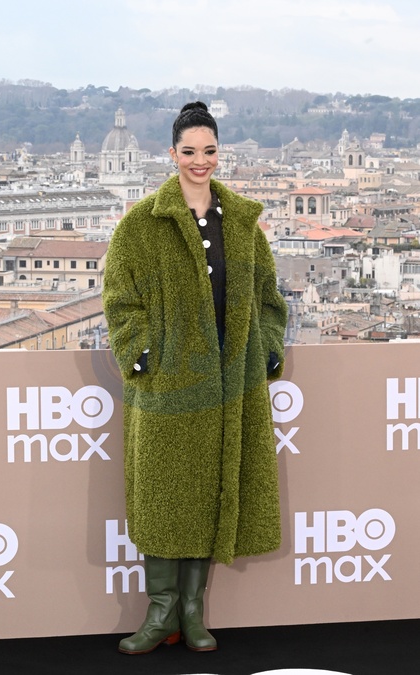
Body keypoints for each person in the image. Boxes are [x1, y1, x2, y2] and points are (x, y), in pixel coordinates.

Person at [102, 101, 288, 655]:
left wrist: (268, 348)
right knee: (163, 500)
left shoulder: (244, 224)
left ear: (218, 154)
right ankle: (160, 611)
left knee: (210, 496)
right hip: (167, 388)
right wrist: (141, 355)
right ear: (172, 153)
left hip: (230, 387)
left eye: (208, 151)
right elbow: (120, 300)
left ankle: (190, 610)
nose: (199, 160)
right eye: (189, 151)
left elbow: (268, 298)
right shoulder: (141, 224)